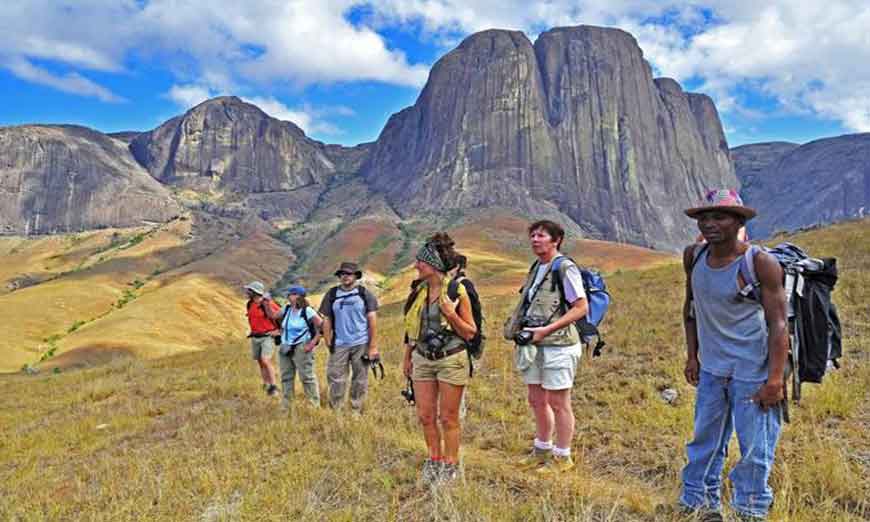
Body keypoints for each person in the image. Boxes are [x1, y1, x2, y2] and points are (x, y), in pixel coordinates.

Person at [680, 189, 788, 521]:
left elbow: (779, 323)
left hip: (752, 372)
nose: (709, 224)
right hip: (712, 369)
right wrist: (692, 356)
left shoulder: (759, 263)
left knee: (755, 449)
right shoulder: (693, 256)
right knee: (705, 441)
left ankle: (750, 510)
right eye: (704, 217)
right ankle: (698, 504)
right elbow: (691, 308)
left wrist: (775, 379)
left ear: (738, 221)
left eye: (719, 217)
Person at [504, 220, 588, 474]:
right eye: (532, 235)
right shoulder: (536, 267)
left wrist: (547, 330)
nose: (535, 240)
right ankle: (541, 450)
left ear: (556, 240)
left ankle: (562, 457)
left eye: (541, 235)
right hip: (535, 345)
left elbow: (581, 307)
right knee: (536, 399)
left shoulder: (565, 267)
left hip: (559, 345)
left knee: (558, 401)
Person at [402, 233, 477, 483]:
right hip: (422, 358)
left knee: (448, 417)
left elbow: (469, 331)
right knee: (425, 415)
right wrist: (407, 359)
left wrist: (450, 315)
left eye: (420, 263)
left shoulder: (457, 290)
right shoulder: (419, 291)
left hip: (451, 358)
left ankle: (450, 464)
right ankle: (433, 459)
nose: (416, 266)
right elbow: (411, 331)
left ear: (433, 265)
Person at [319, 262, 379, 413]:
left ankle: (355, 410)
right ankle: (336, 410)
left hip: (361, 343)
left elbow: (372, 319)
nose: (345, 276)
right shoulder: (332, 294)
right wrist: (327, 341)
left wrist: (372, 346)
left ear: (355, 276)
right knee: (336, 378)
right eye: (342, 274)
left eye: (348, 274)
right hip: (339, 343)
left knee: (360, 378)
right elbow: (326, 319)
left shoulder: (364, 293)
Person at [271, 285, 323, 410]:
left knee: (307, 376)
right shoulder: (287, 309)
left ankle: (313, 405)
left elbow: (322, 325)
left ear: (299, 296)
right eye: (289, 294)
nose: (289, 296)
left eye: (292, 294)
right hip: (285, 345)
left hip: (302, 346)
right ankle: (287, 405)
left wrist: (313, 343)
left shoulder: (308, 311)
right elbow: (274, 317)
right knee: (286, 376)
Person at [244, 281, 281, 397]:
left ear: (255, 292)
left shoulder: (268, 304)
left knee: (266, 360)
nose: (247, 292)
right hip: (255, 336)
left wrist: (279, 331)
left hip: (267, 336)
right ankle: (266, 385)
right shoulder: (250, 304)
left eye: (249, 290)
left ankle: (274, 386)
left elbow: (281, 315)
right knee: (260, 361)